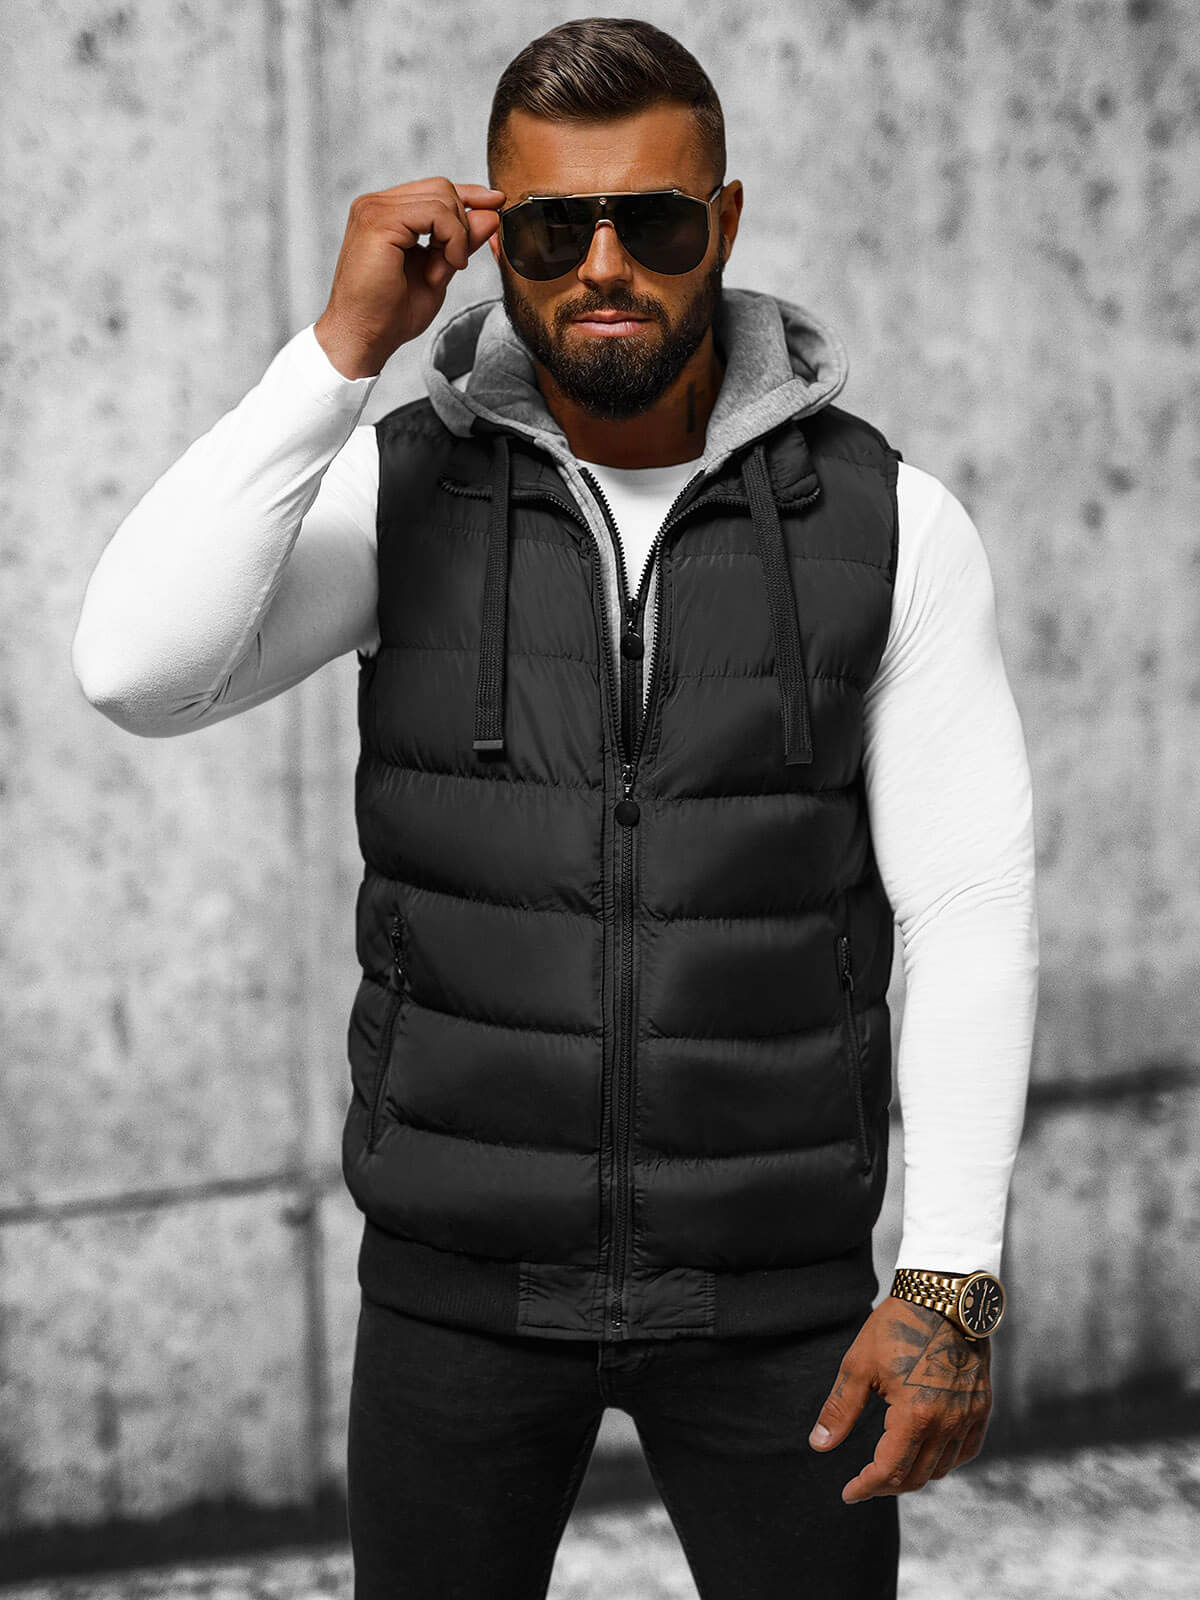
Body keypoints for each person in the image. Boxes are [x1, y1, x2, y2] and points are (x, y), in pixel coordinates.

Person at [71, 17, 1039, 1600]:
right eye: (551, 227)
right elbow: (134, 668)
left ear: (724, 223)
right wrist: (338, 351)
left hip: (773, 1287)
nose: (603, 265)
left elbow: (968, 909)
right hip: (458, 1285)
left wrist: (950, 1280)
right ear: (493, 235)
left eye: (652, 221)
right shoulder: (404, 490)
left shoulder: (887, 521)